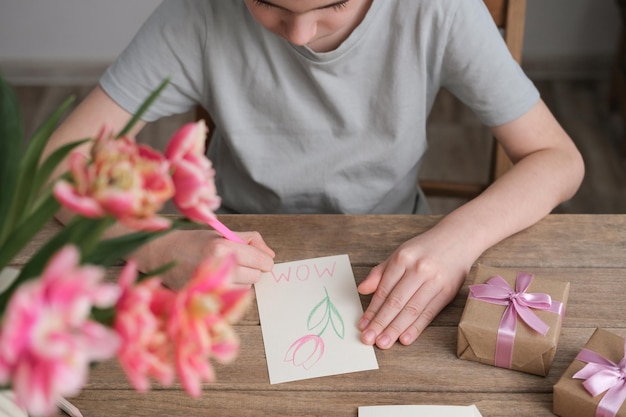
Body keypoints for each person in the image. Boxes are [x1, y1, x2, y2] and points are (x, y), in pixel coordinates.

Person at [44, 0, 585, 350]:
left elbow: (558, 159)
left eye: (334, 5)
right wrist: (156, 247)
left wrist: (458, 240)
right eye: (266, 3)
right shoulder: (196, 15)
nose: (299, 34)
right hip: (230, 260)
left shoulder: (436, 9)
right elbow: (53, 170)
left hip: (400, 256)